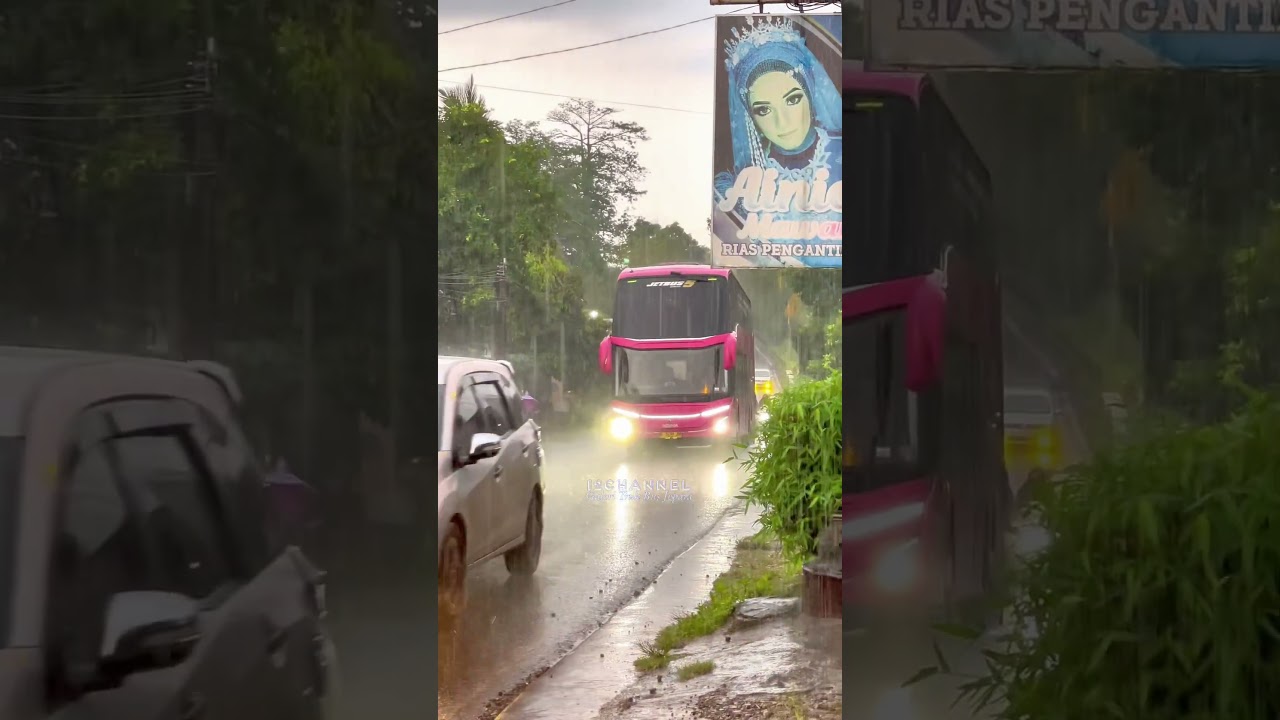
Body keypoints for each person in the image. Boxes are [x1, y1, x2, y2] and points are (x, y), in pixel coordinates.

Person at [713, 16, 842, 268]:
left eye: (792, 100)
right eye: (763, 110)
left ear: (810, 92)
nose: (782, 123)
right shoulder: (738, 191)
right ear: (750, 116)